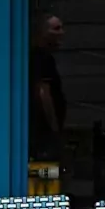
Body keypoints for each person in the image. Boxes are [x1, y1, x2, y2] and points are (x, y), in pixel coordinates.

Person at [28, 12, 67, 161]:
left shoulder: (42, 57)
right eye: (56, 29)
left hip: (43, 133)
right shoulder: (42, 58)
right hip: (43, 134)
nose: (61, 33)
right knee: (45, 174)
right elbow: (43, 93)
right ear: (43, 33)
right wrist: (54, 129)